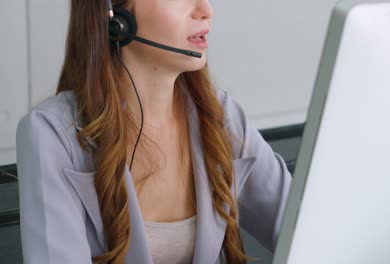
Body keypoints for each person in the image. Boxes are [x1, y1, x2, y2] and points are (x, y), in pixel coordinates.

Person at [15, 0, 292, 263]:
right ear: (116, 17)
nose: (206, 10)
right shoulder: (51, 134)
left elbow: (305, 228)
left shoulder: (221, 115)